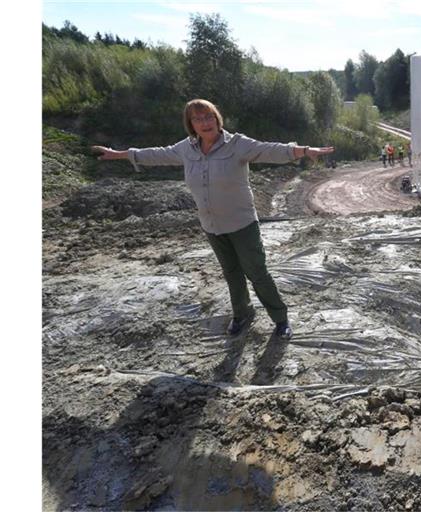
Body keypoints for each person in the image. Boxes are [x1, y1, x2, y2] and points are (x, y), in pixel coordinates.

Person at [92, 98, 334, 339]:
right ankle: (242, 313)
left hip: (242, 223)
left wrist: (303, 151)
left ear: (217, 119)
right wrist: (119, 155)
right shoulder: (186, 148)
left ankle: (280, 320)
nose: (204, 122)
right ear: (191, 124)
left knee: (257, 272)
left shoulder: (237, 144)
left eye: (208, 116)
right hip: (212, 225)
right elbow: (156, 154)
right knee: (231, 273)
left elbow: (269, 149)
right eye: (197, 119)